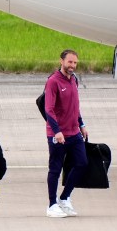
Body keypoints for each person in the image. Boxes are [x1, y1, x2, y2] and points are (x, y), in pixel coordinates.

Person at [44, 49, 88, 218]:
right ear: (61, 61)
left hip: (74, 132)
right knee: (55, 169)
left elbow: (75, 107)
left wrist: (81, 124)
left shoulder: (74, 80)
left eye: (75, 63)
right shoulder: (53, 82)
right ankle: (52, 204)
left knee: (82, 163)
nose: (73, 66)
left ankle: (64, 197)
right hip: (58, 135)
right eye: (70, 62)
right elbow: (49, 109)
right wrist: (57, 132)